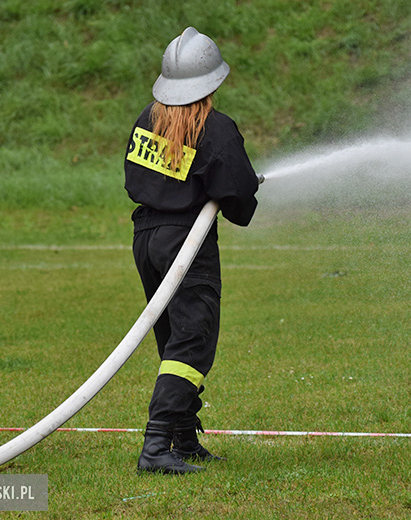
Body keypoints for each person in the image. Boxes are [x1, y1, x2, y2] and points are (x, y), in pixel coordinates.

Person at [124, 27, 260, 475]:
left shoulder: (148, 118)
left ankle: (182, 441)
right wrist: (243, 190)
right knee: (192, 341)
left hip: (147, 239)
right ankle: (157, 446)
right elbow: (239, 204)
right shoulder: (215, 129)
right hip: (186, 243)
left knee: (173, 339)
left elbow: (139, 179)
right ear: (212, 83)